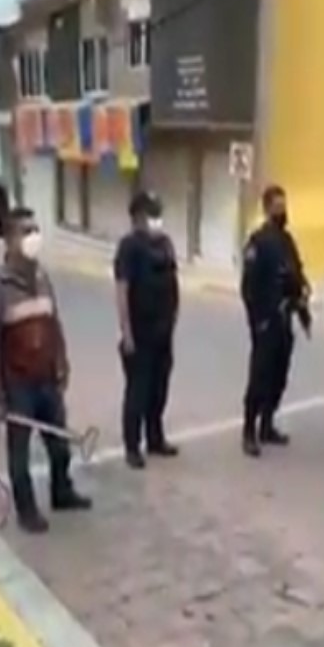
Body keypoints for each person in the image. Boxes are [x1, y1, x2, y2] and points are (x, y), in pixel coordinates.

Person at [0, 198, 92, 533]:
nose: (34, 237)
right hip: (18, 385)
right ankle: (27, 510)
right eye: (26, 231)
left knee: (59, 444)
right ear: (10, 240)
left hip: (47, 378)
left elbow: (53, 323)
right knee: (19, 454)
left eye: (36, 229)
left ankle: (62, 491)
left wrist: (62, 362)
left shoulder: (43, 278)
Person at [240, 184, 312, 456]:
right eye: (277, 206)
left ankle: (267, 425)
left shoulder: (287, 240)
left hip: (285, 319)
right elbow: (248, 287)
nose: (283, 211)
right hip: (266, 320)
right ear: (267, 208)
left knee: (279, 375)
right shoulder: (258, 241)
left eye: (285, 205)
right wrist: (257, 320)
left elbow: (296, 272)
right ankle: (249, 430)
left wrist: (303, 294)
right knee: (259, 375)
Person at [113, 190, 181, 467]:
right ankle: (132, 446)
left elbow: (173, 280)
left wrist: (174, 319)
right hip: (139, 331)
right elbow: (122, 290)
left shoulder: (165, 243)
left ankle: (155, 438)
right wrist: (126, 333)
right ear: (138, 217)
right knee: (137, 391)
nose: (156, 219)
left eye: (157, 213)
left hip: (163, 330)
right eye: (151, 214)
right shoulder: (128, 247)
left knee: (159, 388)